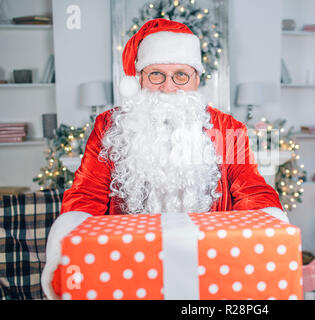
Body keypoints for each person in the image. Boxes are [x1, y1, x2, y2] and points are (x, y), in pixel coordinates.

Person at [41, 18, 288, 299]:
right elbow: (86, 195)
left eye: (180, 75)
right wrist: (66, 249)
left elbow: (252, 190)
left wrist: (270, 234)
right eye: (156, 74)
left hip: (211, 264)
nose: (169, 87)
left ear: (196, 79)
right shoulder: (109, 126)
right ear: (139, 79)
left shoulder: (228, 128)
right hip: (126, 264)